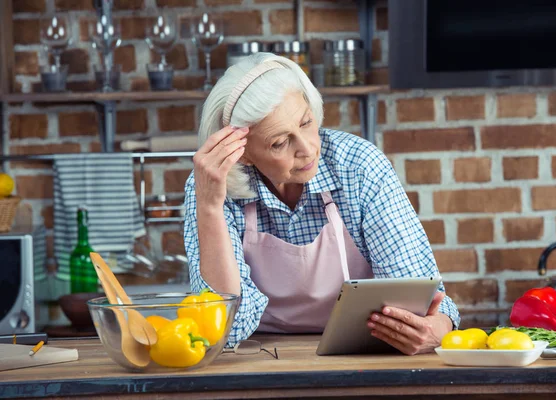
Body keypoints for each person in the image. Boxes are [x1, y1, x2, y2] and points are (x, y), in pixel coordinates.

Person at [183, 52, 460, 355]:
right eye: (279, 142)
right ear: (243, 153)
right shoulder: (211, 188)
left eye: (306, 122)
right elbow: (226, 327)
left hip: (360, 355)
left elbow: (418, 298)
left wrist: (438, 326)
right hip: (259, 358)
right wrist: (210, 207)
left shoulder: (359, 168)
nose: (306, 149)